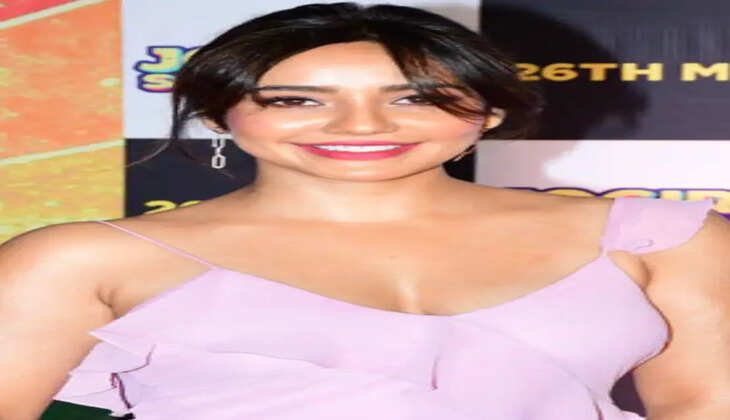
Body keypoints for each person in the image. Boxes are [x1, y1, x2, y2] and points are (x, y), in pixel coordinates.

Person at [1, 3, 729, 420]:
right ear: (221, 115)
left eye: (412, 97)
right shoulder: (80, 260)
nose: (361, 125)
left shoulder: (659, 240)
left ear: (491, 111)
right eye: (297, 99)